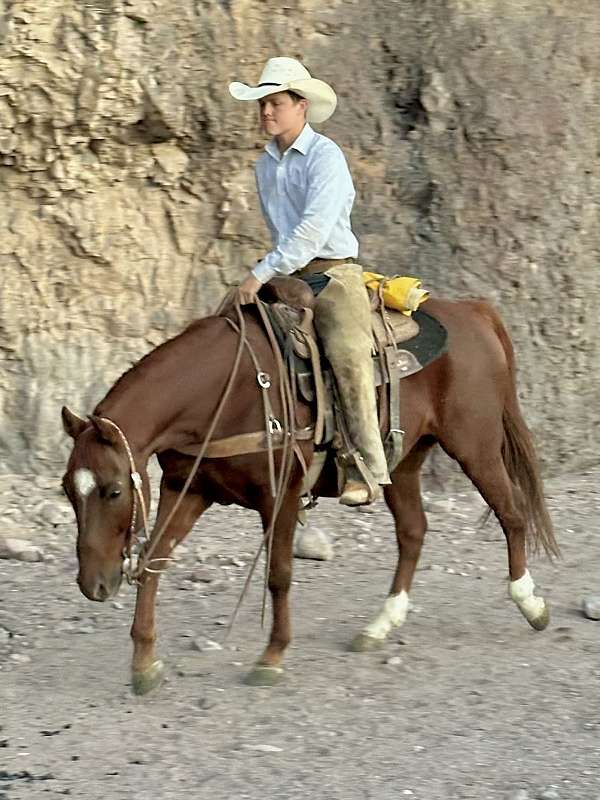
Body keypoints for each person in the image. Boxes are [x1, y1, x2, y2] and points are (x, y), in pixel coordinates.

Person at [228, 57, 390, 506]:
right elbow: (281, 233)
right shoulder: (265, 166)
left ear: (301, 105)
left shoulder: (326, 157)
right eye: (262, 104)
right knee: (240, 336)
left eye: (275, 103)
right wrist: (266, 275)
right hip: (286, 272)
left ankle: (363, 465)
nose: (266, 112)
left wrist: (260, 273)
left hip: (332, 272)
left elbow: (311, 231)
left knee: (347, 350)